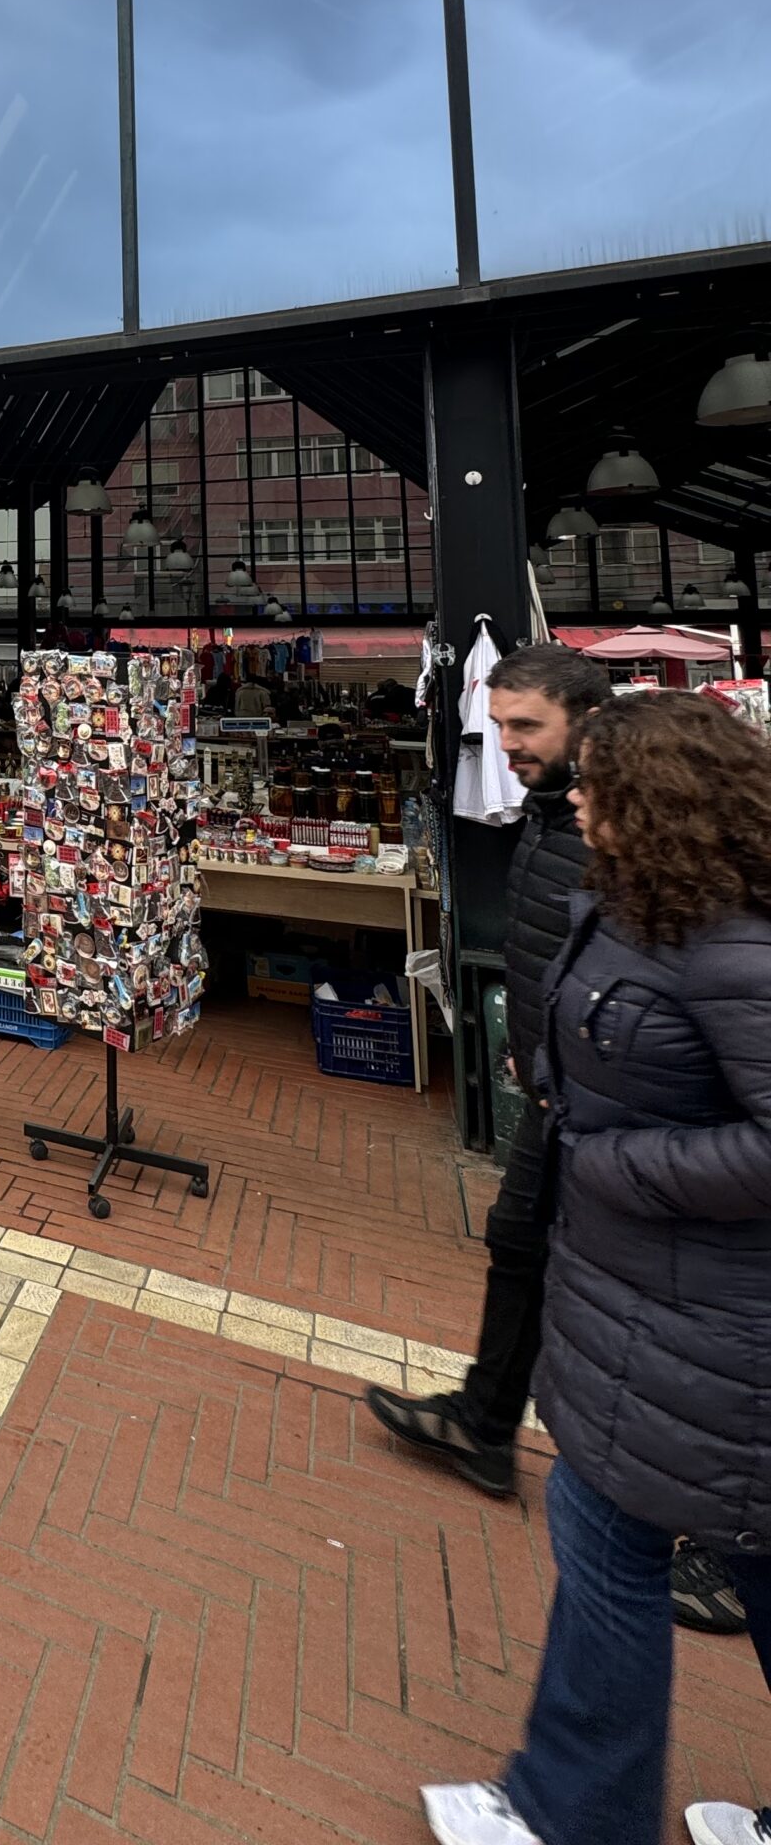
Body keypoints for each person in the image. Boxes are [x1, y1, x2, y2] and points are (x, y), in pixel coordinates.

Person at [420, 689, 771, 1845]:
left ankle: (572, 1813)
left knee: (611, 1536)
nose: (575, 798)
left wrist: (620, 1164)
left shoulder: (726, 939)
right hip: (660, 1319)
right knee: (688, 1541)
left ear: (658, 799)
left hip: (700, 1331)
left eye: (596, 785)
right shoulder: (645, 903)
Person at [365, 645, 745, 1629]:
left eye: (524, 725)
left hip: (627, 1127)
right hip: (565, 1094)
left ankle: (722, 1539)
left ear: (589, 716)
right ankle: (489, 1421)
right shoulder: (553, 810)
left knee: (686, 1334)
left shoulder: (650, 842)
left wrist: (632, 1151)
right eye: (497, 724)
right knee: (524, 1246)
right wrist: (535, 1047)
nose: (505, 745)